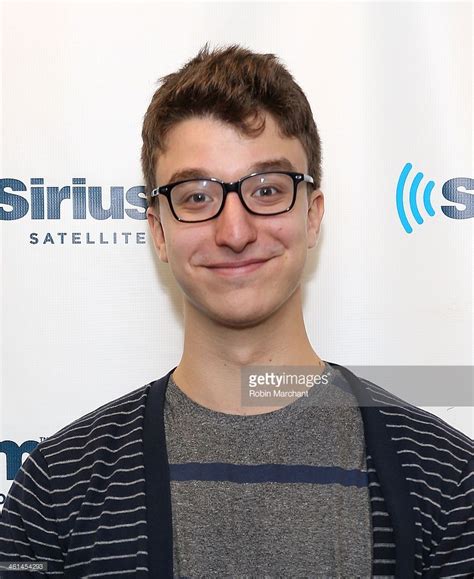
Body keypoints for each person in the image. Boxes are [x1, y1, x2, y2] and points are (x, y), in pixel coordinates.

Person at [0, 44, 472, 578]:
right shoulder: (57, 489)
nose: (235, 231)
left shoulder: (446, 480)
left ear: (312, 216)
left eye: (267, 190)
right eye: (197, 196)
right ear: (157, 228)